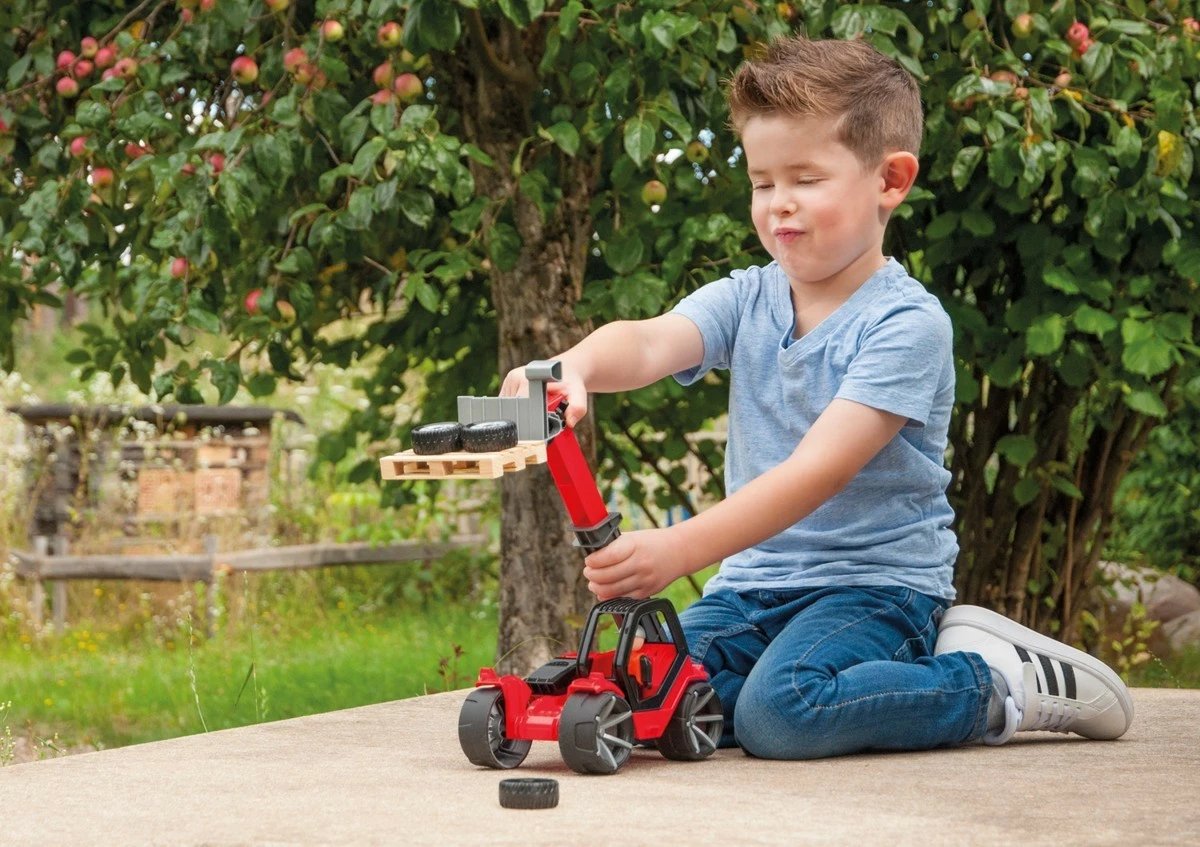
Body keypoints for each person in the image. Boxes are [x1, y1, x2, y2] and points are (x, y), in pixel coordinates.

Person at [501, 35, 1132, 758]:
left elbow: (817, 472)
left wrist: (677, 547)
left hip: (875, 588)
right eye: (763, 183)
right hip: (750, 589)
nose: (779, 206)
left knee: (782, 712)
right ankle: (820, 687)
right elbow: (648, 341)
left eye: (805, 178)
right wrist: (571, 365)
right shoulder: (748, 296)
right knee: (656, 690)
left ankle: (991, 683)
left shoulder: (906, 323)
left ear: (889, 180)